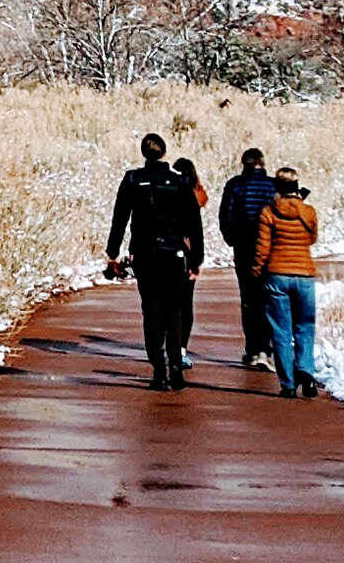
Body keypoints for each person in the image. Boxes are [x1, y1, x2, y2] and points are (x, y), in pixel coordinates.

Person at [104, 132, 209, 388]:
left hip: (145, 253)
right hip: (174, 253)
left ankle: (159, 369)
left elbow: (120, 217)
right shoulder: (179, 181)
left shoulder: (132, 179)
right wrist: (197, 258)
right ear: (164, 153)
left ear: (144, 153)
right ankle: (176, 366)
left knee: (151, 309)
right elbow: (194, 222)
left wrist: (112, 251)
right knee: (174, 310)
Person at [254, 164, 324, 399]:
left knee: (281, 330)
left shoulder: (268, 212)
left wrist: (255, 271)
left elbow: (262, 249)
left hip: (277, 275)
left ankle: (288, 384)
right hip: (304, 274)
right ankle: (306, 370)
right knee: (305, 327)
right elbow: (312, 239)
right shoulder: (309, 212)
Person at [215, 148, 278, 371]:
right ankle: (266, 349)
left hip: (243, 247)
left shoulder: (235, 185)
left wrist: (231, 238)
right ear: (263, 162)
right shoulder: (273, 185)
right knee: (268, 297)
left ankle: (252, 348)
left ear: (244, 163)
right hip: (270, 249)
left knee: (248, 298)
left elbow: (225, 215)